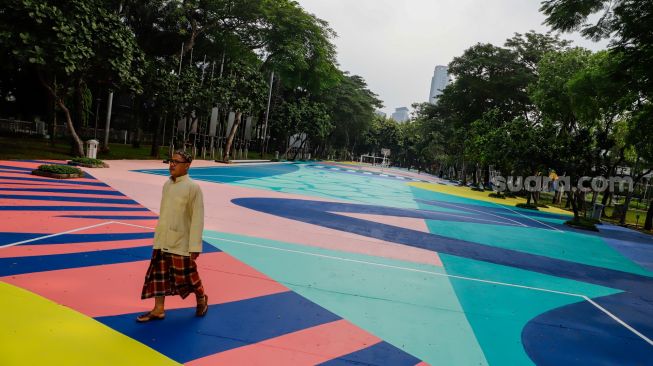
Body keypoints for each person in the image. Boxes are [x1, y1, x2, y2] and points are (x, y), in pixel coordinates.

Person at [137, 150, 208, 322]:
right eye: (171, 161)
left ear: (187, 166)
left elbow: (197, 219)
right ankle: (158, 309)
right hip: (162, 239)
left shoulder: (193, 188)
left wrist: (195, 247)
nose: (172, 164)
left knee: (188, 277)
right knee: (158, 275)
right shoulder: (167, 185)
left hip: (181, 242)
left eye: (177, 162)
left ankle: (201, 298)